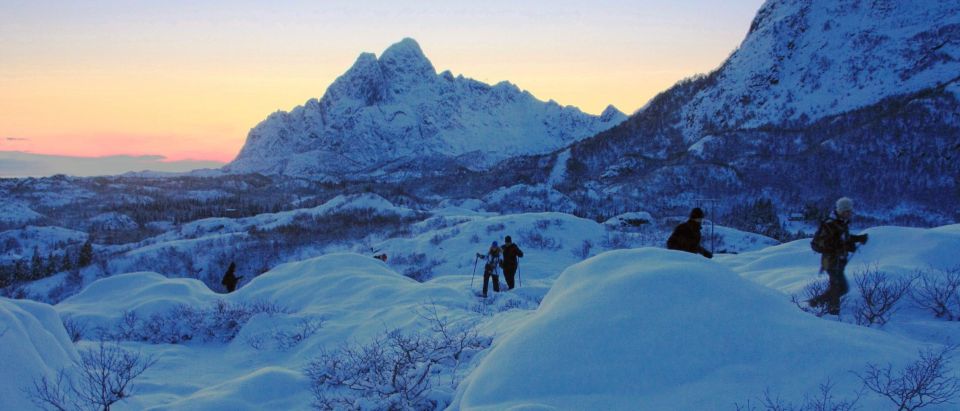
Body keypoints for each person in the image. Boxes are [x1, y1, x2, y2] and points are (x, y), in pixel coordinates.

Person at [808, 197, 869, 315]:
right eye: (848, 211)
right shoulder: (830, 224)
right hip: (831, 261)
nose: (850, 213)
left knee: (837, 287)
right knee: (839, 288)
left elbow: (843, 238)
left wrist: (858, 239)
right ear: (841, 211)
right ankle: (826, 308)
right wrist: (839, 246)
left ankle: (826, 307)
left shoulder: (841, 223)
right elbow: (819, 243)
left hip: (838, 261)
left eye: (851, 211)